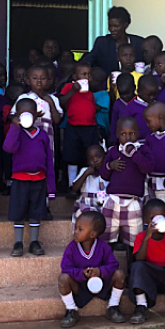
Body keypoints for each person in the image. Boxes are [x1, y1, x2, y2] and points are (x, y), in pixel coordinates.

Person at [3, 98, 55, 257]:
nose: (26, 117)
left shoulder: (42, 135)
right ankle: (18, 242)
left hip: (38, 179)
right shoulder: (16, 132)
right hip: (20, 180)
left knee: (36, 212)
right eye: (22, 114)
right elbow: (8, 147)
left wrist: (51, 188)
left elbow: (48, 160)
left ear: (36, 115)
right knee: (18, 212)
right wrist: (14, 125)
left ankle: (34, 241)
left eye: (30, 114)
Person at [59, 211, 125, 328]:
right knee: (63, 278)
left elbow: (113, 265)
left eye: (80, 229)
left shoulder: (103, 247)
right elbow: (66, 268)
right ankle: (71, 310)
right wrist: (82, 274)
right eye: (76, 228)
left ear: (93, 234)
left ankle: (113, 306)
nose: (75, 232)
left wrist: (100, 271)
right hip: (81, 286)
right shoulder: (71, 248)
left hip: (101, 285)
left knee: (119, 274)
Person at [100, 117, 154, 251]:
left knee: (134, 238)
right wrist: (110, 166)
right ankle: (107, 263)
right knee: (107, 234)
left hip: (133, 201)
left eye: (132, 133)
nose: (128, 137)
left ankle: (131, 267)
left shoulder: (142, 150)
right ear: (117, 135)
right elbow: (103, 175)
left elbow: (147, 168)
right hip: (113, 199)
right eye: (123, 134)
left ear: (138, 133)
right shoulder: (113, 151)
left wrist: (134, 154)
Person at [60, 62, 100, 193]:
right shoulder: (68, 87)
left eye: (89, 75)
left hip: (90, 127)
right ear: (74, 76)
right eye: (83, 74)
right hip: (73, 127)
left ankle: (88, 186)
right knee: (72, 157)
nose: (87, 77)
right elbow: (61, 102)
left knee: (89, 156)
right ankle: (72, 185)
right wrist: (73, 90)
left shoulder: (90, 93)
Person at [84, 6, 144, 76]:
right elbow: (87, 62)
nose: (112, 29)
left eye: (116, 26)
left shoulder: (139, 43)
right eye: (110, 26)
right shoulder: (102, 43)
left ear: (126, 25)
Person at [71, 145, 109, 226]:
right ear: (88, 162)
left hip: (103, 203)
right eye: (91, 159)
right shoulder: (85, 171)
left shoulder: (108, 173)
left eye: (98, 157)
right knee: (88, 216)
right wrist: (86, 174)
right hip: (86, 203)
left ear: (105, 157)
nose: (95, 160)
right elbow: (74, 188)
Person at [126, 75, 159, 141]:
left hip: (155, 141)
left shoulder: (157, 105)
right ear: (139, 91)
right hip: (137, 142)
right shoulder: (131, 106)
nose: (152, 97)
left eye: (154, 95)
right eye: (148, 95)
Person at [110, 73, 136, 143]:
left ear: (134, 88)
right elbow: (114, 123)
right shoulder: (118, 103)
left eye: (127, 93)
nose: (125, 96)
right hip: (122, 140)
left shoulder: (138, 102)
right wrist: (113, 140)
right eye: (121, 94)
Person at [91, 67, 111, 141]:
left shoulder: (104, 94)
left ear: (97, 82)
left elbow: (95, 109)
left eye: (90, 78)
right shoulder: (89, 93)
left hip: (100, 127)